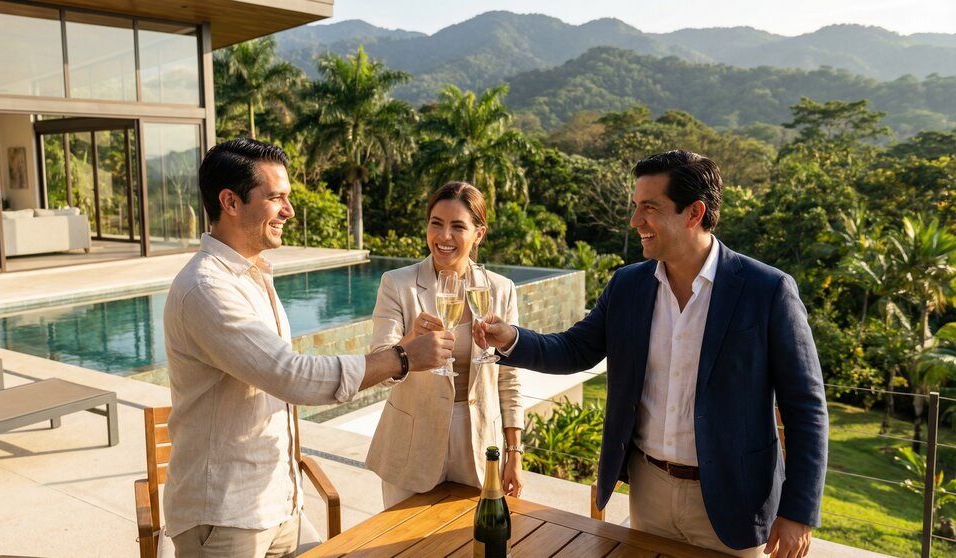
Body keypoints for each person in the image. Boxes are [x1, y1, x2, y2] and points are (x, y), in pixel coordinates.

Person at [475, 151, 828, 558]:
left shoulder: (768, 290)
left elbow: (806, 407)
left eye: (649, 208)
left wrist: (799, 510)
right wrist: (510, 339)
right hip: (649, 490)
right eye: (635, 206)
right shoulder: (628, 285)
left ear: (694, 212)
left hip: (735, 498)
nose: (635, 221)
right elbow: (575, 348)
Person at [162, 138, 454, 558]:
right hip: (225, 516)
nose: (289, 210)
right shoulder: (207, 289)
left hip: (280, 504)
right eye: (276, 197)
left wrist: (400, 352)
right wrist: (401, 358)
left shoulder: (253, 275)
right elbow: (293, 377)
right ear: (230, 201)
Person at [364, 181, 525, 508]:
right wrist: (409, 345)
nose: (444, 236)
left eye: (457, 226)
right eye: (436, 223)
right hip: (411, 445)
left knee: (472, 542)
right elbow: (379, 365)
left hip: (479, 442)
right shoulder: (398, 285)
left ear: (478, 234)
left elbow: (509, 377)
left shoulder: (500, 289)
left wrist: (515, 453)